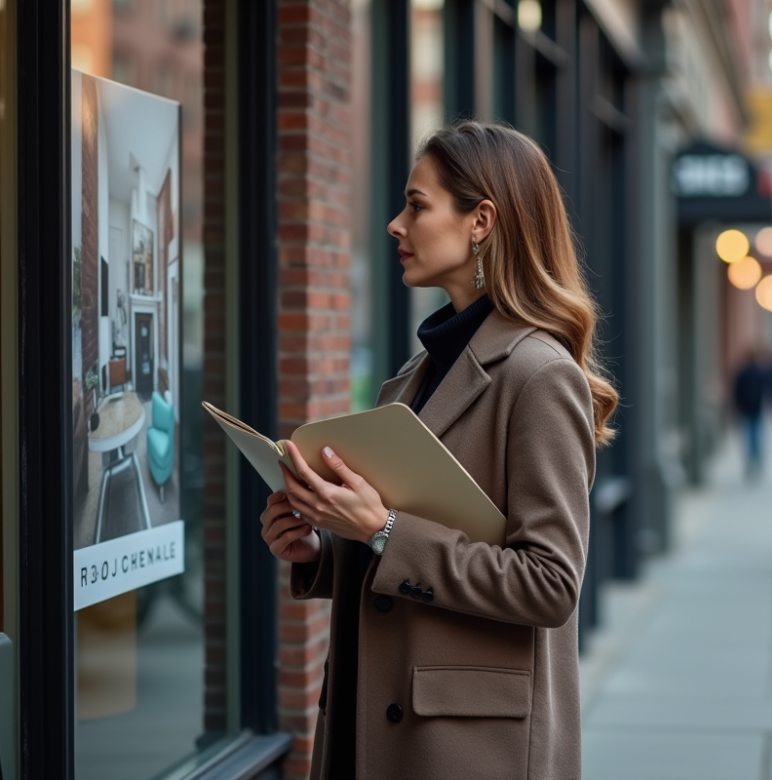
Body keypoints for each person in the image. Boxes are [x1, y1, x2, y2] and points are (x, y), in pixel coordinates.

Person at [257, 122, 618, 780]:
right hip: (375, 723)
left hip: (469, 749)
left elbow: (550, 584)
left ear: (481, 221)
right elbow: (404, 546)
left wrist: (382, 529)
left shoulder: (538, 376)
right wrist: (320, 547)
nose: (396, 225)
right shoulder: (413, 377)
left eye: (417, 205)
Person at [732, 347, 768, 478]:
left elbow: (737, 391)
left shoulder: (743, 372)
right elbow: (765, 389)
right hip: (756, 407)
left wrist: (737, 406)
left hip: (746, 408)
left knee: (748, 435)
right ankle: (757, 461)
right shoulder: (759, 371)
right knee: (756, 434)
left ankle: (750, 461)